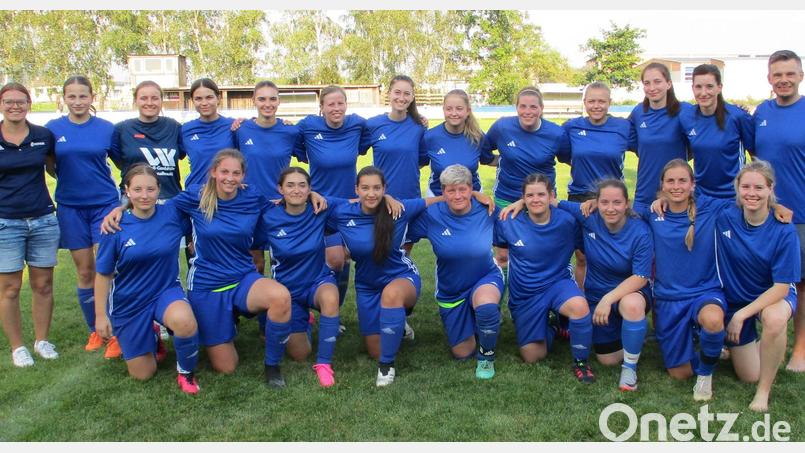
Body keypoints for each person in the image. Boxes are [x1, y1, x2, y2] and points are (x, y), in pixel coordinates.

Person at [103, 149, 294, 387]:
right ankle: (178, 330)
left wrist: (311, 194)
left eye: (236, 173)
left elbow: (281, 206)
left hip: (243, 277)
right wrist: (121, 207)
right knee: (226, 367)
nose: (230, 178)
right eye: (224, 171)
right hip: (208, 284)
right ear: (213, 172)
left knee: (280, 296)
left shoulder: (251, 195)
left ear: (243, 176)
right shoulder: (196, 196)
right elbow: (152, 205)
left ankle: (272, 366)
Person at [326, 166, 448, 386]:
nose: (371, 193)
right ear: (356, 189)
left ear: (384, 189)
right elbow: (312, 200)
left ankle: (386, 366)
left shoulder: (399, 208)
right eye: (365, 188)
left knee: (391, 296)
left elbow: (439, 200)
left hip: (401, 276)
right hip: (367, 285)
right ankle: (398, 324)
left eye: (377, 188)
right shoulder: (342, 213)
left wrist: (476, 194)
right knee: (375, 350)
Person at [94, 164, 201, 394]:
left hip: (165, 291)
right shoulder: (115, 226)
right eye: (138, 189)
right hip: (129, 302)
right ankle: (152, 336)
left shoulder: (172, 213)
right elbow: (103, 274)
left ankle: (186, 374)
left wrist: (240, 185)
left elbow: (208, 192)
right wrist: (100, 316)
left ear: (159, 189)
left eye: (150, 189)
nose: (144, 195)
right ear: (127, 191)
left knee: (184, 320)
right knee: (143, 374)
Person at [715, 160, 800, 412]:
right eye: (746, 187)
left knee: (774, 319)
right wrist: (661, 200)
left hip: (773, 296)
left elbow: (781, 287)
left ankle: (763, 392)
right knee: (749, 374)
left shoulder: (784, 229)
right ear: (737, 188)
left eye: (759, 188)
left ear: (770, 189)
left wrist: (741, 315)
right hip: (737, 299)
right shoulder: (725, 216)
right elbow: (687, 198)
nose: (752, 193)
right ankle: (766, 346)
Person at [494, 173, 595, 383]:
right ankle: (553, 324)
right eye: (530, 195)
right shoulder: (508, 221)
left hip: (558, 283)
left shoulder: (568, 221)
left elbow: (596, 217)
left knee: (579, 307)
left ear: (552, 196)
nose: (536, 199)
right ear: (522, 198)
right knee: (533, 356)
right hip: (526, 293)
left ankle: (581, 363)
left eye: (541, 194)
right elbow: (501, 257)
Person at [643, 159, 731, 401]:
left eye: (682, 180)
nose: (676, 186)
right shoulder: (653, 213)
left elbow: (748, 201)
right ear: (662, 185)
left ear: (692, 184)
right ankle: (711, 349)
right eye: (670, 181)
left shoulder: (709, 208)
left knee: (713, 320)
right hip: (668, 299)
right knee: (679, 373)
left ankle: (705, 374)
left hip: (705, 292)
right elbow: (618, 209)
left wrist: (777, 207)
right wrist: (586, 203)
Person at [45, 76, 119, 354]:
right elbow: (50, 165)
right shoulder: (53, 129)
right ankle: (95, 330)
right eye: (72, 96)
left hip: (104, 205)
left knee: (107, 268)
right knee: (85, 270)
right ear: (64, 98)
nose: (77, 102)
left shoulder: (106, 129)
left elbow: (121, 162)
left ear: (92, 97)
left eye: (83, 96)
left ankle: (115, 328)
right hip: (71, 208)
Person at [409, 164, 503, 379]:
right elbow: (403, 223)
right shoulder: (432, 214)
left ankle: (486, 356)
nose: (458, 195)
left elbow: (517, 219)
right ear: (443, 192)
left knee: (486, 305)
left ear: (471, 189)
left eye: (463, 189)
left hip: (485, 276)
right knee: (462, 352)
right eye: (451, 190)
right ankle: (478, 324)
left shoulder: (487, 209)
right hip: (451, 289)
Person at [557, 180, 653, 391]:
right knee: (607, 360)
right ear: (596, 203)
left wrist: (608, 299)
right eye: (605, 202)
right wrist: (520, 202)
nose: (610, 208)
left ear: (627, 204)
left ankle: (630, 368)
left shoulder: (640, 232)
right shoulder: (588, 216)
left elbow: (641, 277)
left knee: (631, 305)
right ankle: (633, 337)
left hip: (629, 292)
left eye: (617, 202)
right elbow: (551, 202)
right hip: (596, 296)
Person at [254, 167, 341, 387]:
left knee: (331, 297)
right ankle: (301, 320)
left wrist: (388, 198)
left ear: (310, 189)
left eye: (302, 185)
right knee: (300, 354)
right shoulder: (268, 217)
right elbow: (248, 243)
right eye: (290, 185)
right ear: (280, 189)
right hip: (287, 292)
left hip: (317, 282)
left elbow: (358, 202)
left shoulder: (320, 209)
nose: (296, 190)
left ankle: (324, 364)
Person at [751, 50, 805, 372]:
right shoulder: (762, 112)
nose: (783, 80)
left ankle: (800, 349)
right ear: (769, 78)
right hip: (764, 214)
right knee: (765, 278)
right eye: (777, 75)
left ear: (800, 76)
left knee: (801, 282)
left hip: (800, 215)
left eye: (789, 74)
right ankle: (763, 339)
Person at [295, 85, 368, 320]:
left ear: (346, 105)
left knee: (342, 260)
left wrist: (418, 118)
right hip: (319, 206)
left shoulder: (357, 124)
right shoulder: (308, 126)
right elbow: (285, 136)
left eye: (340, 103)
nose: (336, 108)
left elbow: (380, 130)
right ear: (322, 107)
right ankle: (305, 306)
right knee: (322, 258)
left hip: (348, 206)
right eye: (331, 104)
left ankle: (333, 312)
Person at [0, 82, 59, 367]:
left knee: (43, 285)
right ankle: (18, 347)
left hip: (43, 219)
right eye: (9, 102)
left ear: (29, 104)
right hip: (6, 222)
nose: (15, 106)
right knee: (10, 288)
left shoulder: (43, 136)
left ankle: (42, 341)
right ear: (1, 105)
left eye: (20, 101)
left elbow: (53, 168)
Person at [480, 86, 570, 268]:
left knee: (539, 252)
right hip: (506, 196)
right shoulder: (503, 127)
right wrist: (502, 160)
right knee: (503, 255)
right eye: (523, 106)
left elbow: (569, 158)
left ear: (541, 109)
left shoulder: (556, 134)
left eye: (533, 107)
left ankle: (540, 284)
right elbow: (484, 153)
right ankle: (505, 286)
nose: (527, 111)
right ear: (517, 108)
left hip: (541, 199)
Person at [561, 81, 633, 287]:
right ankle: (583, 300)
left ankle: (616, 297)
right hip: (579, 196)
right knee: (582, 256)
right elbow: (563, 155)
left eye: (601, 101)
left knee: (612, 254)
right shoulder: (572, 127)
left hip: (612, 199)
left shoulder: (623, 127)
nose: (596, 106)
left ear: (609, 102)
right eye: (591, 101)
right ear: (584, 102)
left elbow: (646, 149)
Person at [236, 80, 302, 275]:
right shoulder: (241, 129)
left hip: (279, 205)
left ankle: (286, 295)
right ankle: (256, 295)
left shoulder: (290, 131)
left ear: (279, 101)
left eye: (272, 99)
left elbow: (308, 156)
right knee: (255, 263)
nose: (267, 104)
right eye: (262, 99)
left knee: (283, 261)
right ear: (254, 101)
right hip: (249, 203)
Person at [679, 64, 754, 198]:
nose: (703, 93)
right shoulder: (686, 117)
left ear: (719, 87)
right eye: (698, 87)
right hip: (701, 197)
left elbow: (756, 156)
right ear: (692, 88)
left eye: (709, 86)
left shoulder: (737, 116)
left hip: (733, 197)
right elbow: (687, 153)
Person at [628, 62, 693, 213]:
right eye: (647, 83)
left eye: (657, 82)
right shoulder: (638, 112)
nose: (652, 88)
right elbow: (627, 140)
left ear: (668, 84)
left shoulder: (685, 111)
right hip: (644, 196)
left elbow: (701, 141)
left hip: (675, 198)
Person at [110, 80, 185, 201]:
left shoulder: (175, 127)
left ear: (161, 101)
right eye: (143, 98)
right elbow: (119, 162)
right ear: (135, 101)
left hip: (170, 199)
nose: (149, 103)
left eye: (154, 98)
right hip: (133, 201)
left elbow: (188, 153)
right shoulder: (121, 129)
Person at [362, 75, 428, 201]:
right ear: (389, 94)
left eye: (407, 94)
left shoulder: (419, 127)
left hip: (410, 199)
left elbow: (422, 161)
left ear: (412, 97)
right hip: (381, 200)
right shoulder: (373, 124)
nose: (401, 98)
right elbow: (356, 150)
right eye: (397, 92)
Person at [421, 89, 494, 198]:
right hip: (438, 198)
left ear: (468, 111)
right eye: (449, 109)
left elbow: (489, 159)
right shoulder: (430, 137)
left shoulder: (477, 137)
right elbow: (417, 164)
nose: (454, 113)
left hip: (472, 198)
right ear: (443, 110)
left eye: (459, 109)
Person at [181, 78, 236, 188]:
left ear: (218, 98)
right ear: (192, 101)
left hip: (226, 193)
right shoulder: (185, 130)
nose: (204, 103)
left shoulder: (234, 126)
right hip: (196, 193)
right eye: (198, 99)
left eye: (209, 97)